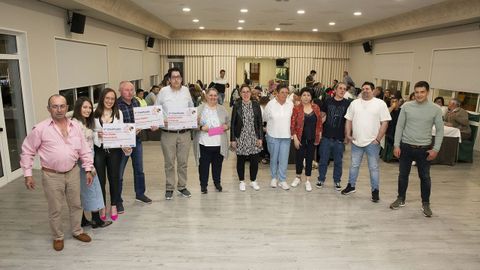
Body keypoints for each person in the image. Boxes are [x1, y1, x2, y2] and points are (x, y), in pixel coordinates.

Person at [20, 94, 93, 251]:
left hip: (73, 171)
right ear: (49, 109)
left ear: (67, 108)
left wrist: (88, 169)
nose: (59, 109)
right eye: (55, 106)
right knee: (55, 208)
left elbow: (84, 149)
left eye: (62, 106)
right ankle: (58, 236)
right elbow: (27, 151)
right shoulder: (40, 129)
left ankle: (77, 231)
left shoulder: (75, 127)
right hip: (51, 175)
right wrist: (28, 174)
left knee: (76, 205)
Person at [390, 81, 444, 218]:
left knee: (425, 177)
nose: (419, 95)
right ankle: (400, 198)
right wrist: (396, 145)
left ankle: (425, 203)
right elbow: (399, 127)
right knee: (403, 175)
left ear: (428, 92)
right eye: (417, 92)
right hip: (406, 147)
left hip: (424, 149)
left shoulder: (435, 109)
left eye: (422, 92)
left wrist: (436, 149)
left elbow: (440, 131)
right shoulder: (406, 107)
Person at [341, 82, 391, 202]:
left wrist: (378, 139)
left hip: (372, 143)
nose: (365, 90)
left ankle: (375, 191)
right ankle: (351, 186)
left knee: (373, 168)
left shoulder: (380, 104)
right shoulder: (355, 103)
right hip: (356, 142)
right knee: (354, 165)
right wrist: (348, 134)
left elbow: (385, 122)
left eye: (367, 89)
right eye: (363, 89)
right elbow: (348, 119)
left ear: (373, 91)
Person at [71, 97, 112, 229]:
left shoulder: (85, 122)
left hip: (87, 159)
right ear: (78, 108)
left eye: (89, 107)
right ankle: (96, 220)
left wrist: (97, 136)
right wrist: (88, 166)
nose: (88, 110)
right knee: (93, 189)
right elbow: (77, 147)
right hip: (83, 162)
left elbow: (89, 139)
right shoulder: (75, 124)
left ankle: (83, 220)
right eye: (84, 107)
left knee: (83, 190)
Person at [155, 67, 194, 200]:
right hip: (168, 134)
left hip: (184, 134)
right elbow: (156, 111)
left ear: (181, 79)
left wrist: (194, 118)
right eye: (173, 77)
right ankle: (169, 187)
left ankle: (182, 186)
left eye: (178, 77)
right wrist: (161, 120)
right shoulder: (163, 92)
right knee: (169, 163)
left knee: (183, 162)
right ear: (169, 79)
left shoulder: (186, 91)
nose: (176, 79)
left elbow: (191, 109)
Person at [117, 81, 152, 212]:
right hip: (122, 144)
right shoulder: (116, 105)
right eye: (126, 90)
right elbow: (115, 126)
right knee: (119, 173)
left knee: (139, 169)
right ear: (120, 91)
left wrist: (149, 124)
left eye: (132, 90)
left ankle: (140, 194)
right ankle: (118, 200)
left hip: (136, 140)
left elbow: (142, 119)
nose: (130, 92)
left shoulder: (136, 102)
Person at [93, 88, 127, 221]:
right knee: (100, 180)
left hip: (114, 150)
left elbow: (122, 131)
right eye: (107, 98)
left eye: (112, 99)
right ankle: (102, 206)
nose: (110, 101)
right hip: (100, 150)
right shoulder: (95, 113)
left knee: (114, 178)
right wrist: (98, 134)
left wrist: (126, 143)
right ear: (102, 98)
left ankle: (113, 205)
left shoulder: (118, 113)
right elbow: (90, 131)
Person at [193, 88, 230, 194]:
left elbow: (228, 123)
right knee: (203, 167)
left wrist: (226, 126)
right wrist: (200, 128)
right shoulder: (199, 109)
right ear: (206, 96)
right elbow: (192, 124)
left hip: (219, 144)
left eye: (215, 95)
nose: (213, 97)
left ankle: (217, 183)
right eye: (210, 95)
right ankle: (203, 186)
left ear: (217, 96)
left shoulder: (222, 109)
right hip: (203, 144)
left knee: (217, 166)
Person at [317, 82, 351, 190]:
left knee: (338, 162)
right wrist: (318, 132)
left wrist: (347, 136)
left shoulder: (347, 104)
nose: (342, 90)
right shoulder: (327, 101)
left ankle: (337, 181)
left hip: (339, 139)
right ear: (335, 90)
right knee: (323, 160)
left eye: (344, 89)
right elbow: (321, 118)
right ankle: (321, 179)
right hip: (326, 137)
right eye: (340, 88)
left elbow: (348, 122)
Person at [230, 84, 263, 191]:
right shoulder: (237, 105)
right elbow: (233, 123)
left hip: (254, 136)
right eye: (243, 92)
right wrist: (233, 139)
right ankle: (242, 181)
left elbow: (259, 122)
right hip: (241, 136)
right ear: (240, 94)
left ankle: (253, 181)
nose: (245, 94)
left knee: (254, 160)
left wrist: (260, 137)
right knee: (241, 160)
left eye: (247, 92)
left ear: (250, 93)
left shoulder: (256, 105)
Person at [290, 87, 323, 191]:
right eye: (304, 95)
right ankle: (298, 177)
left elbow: (319, 123)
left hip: (312, 138)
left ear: (311, 97)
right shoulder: (296, 108)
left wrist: (320, 134)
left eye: (308, 95)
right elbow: (292, 125)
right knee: (299, 158)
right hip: (300, 138)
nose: (306, 97)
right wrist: (295, 138)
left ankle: (307, 180)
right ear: (301, 96)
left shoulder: (316, 108)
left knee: (309, 159)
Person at [264, 83, 294, 190]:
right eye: (282, 92)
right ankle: (273, 178)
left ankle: (282, 180)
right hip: (273, 135)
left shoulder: (290, 104)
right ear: (277, 92)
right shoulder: (270, 104)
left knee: (284, 159)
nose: (284, 94)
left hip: (286, 136)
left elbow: (293, 119)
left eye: (286, 92)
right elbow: (265, 118)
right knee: (274, 158)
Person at [381, 92, 402, 162]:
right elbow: (384, 116)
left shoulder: (402, 111)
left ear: (399, 102)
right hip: (389, 131)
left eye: (396, 101)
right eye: (392, 101)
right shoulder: (388, 110)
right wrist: (392, 107)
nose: (394, 103)